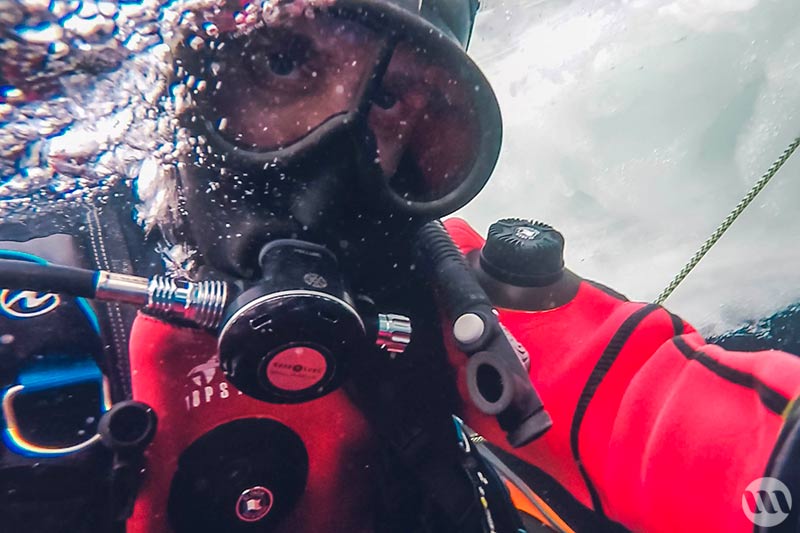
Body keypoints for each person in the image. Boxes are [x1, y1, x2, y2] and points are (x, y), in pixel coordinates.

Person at [1, 0, 799, 532]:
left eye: (396, 97)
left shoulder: (436, 286)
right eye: (282, 61)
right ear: (193, 78)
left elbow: (638, 400)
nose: (332, 148)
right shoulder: (37, 286)